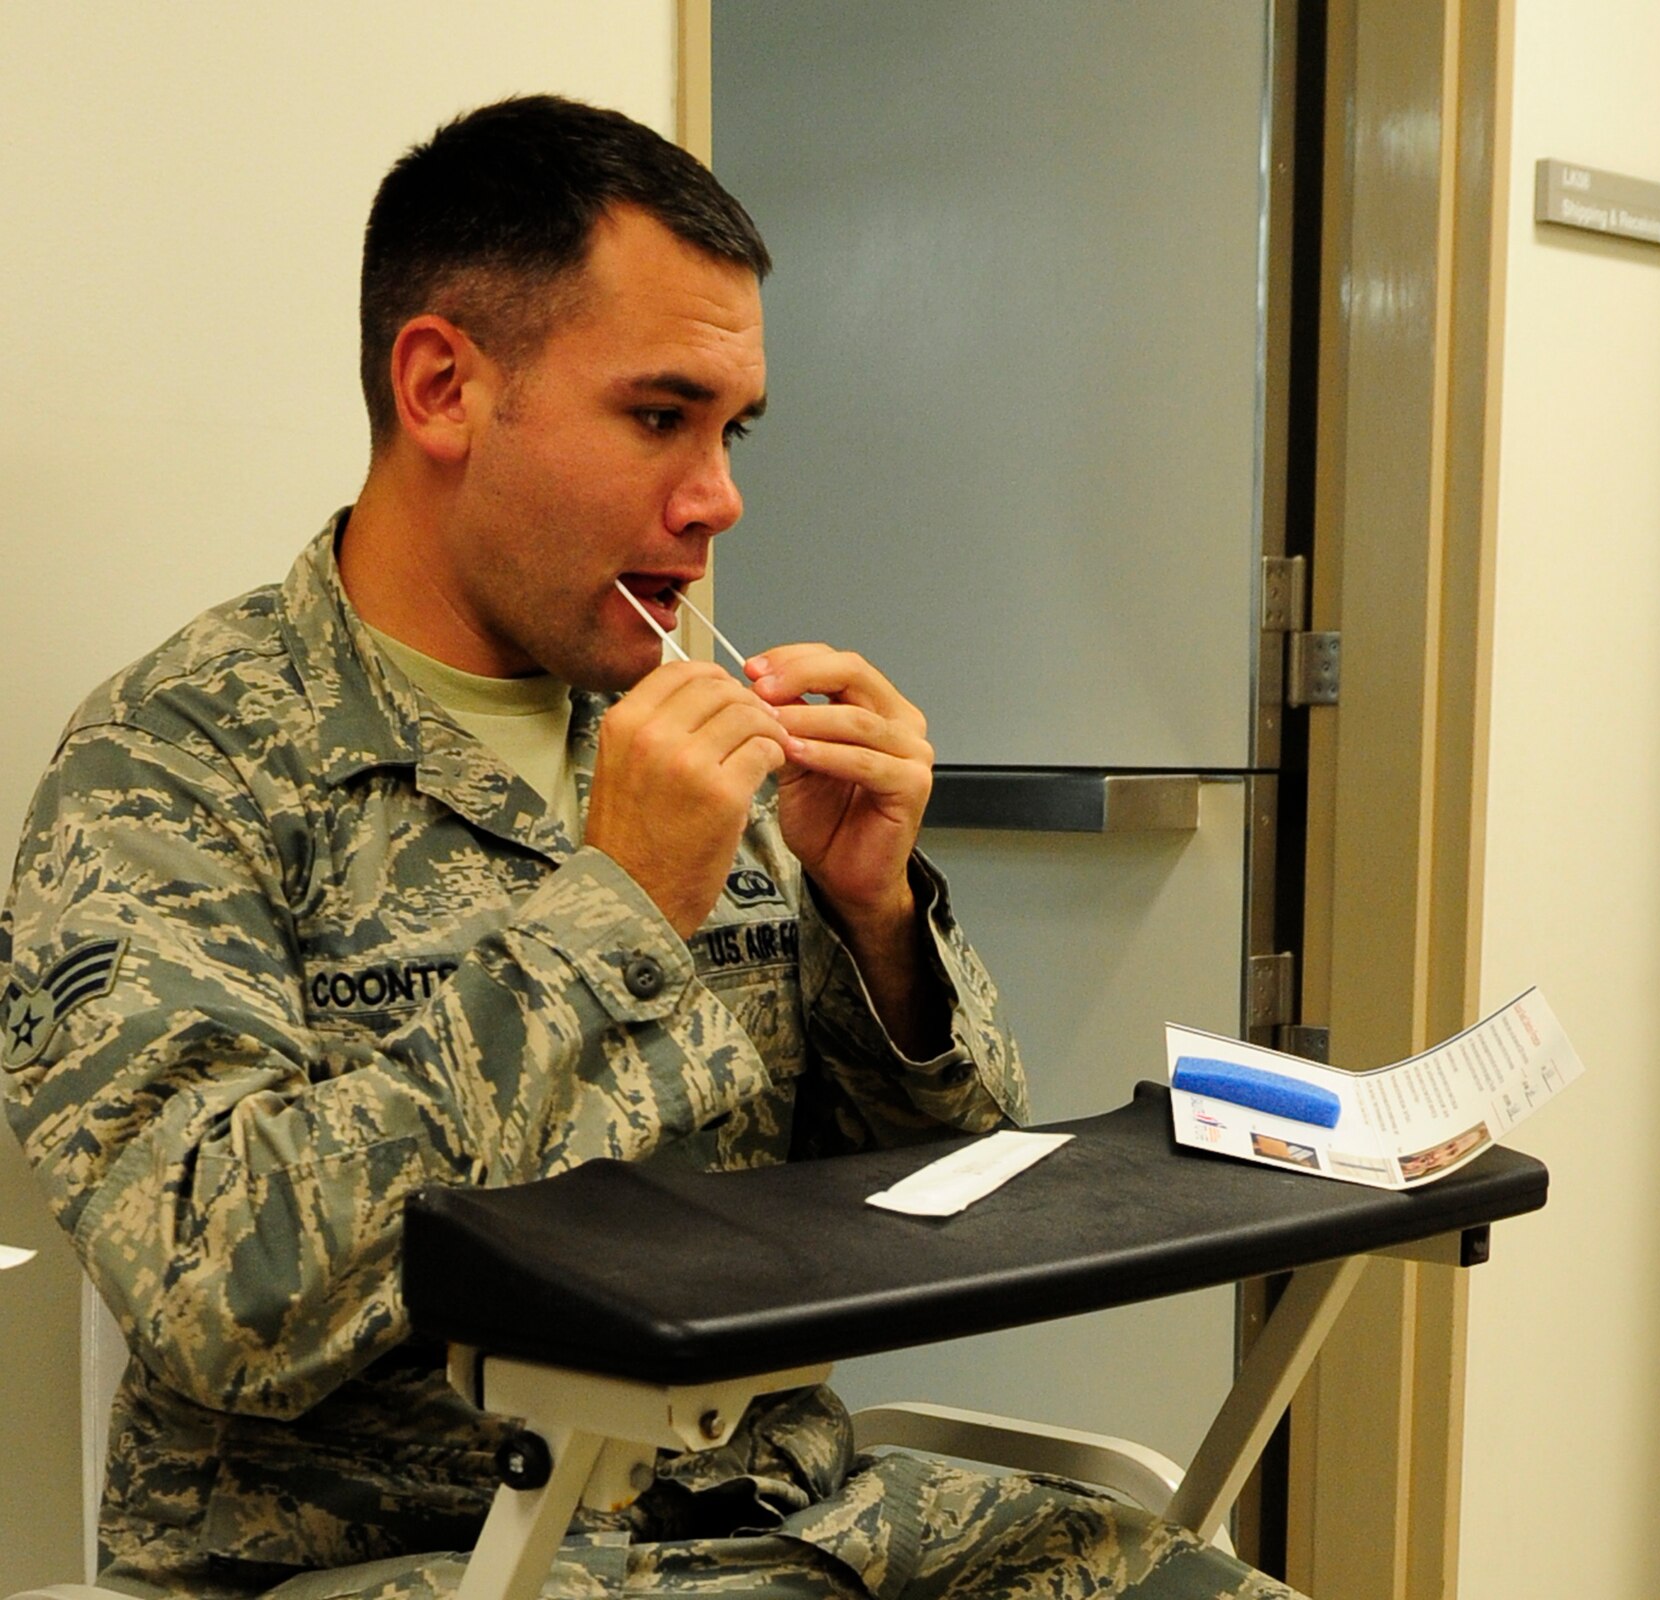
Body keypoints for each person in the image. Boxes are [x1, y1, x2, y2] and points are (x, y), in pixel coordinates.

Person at [1, 97, 1295, 1600]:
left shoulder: (685, 730)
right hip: (427, 1560)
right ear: (441, 388)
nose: (721, 496)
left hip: (799, 1530)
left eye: (732, 430)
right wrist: (610, 914)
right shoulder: (175, 763)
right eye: (660, 415)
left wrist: (876, 926)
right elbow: (218, 1295)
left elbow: (934, 1203)